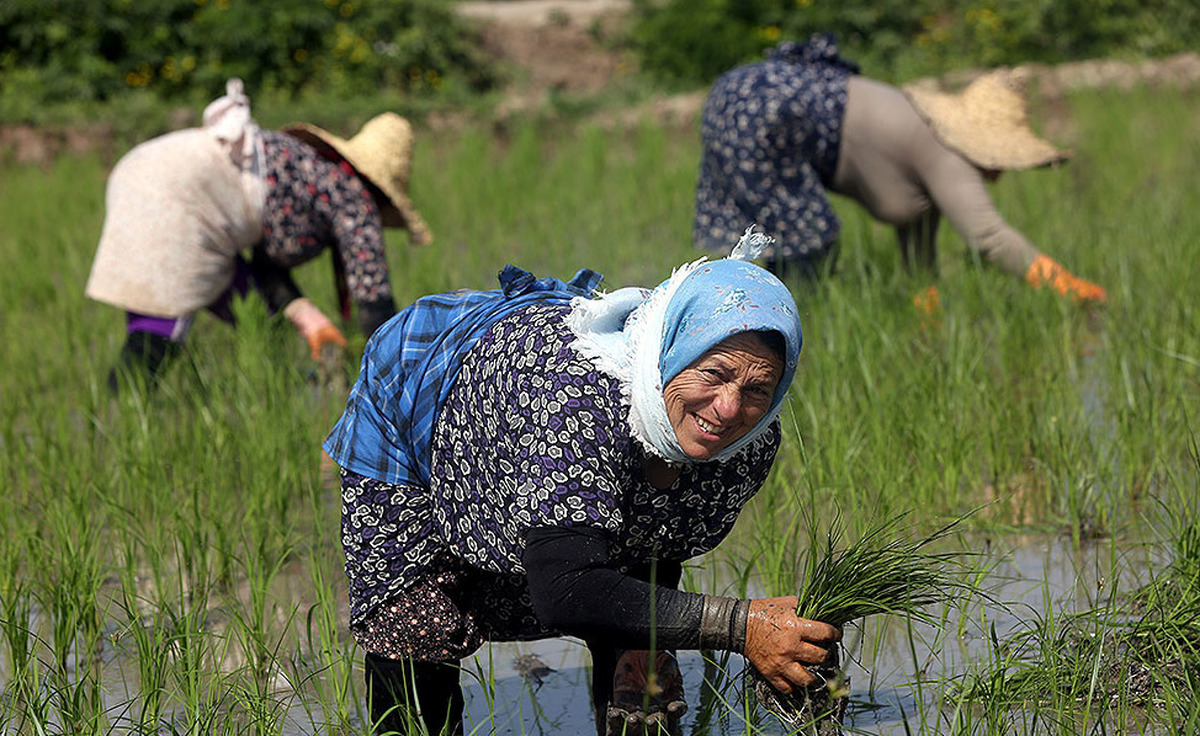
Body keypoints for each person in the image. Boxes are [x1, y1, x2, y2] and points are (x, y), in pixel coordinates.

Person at [322, 228, 842, 736]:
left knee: (641, 681)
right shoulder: (576, 408)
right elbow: (565, 587)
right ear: (670, 354)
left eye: (757, 389)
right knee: (416, 626)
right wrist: (739, 626)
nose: (728, 408)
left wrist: (642, 639)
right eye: (713, 374)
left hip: (556, 460)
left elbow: (660, 533)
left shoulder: (748, 443)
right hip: (423, 400)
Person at [693, 33, 1107, 304]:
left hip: (743, 96)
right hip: (767, 112)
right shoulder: (948, 153)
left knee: (777, 244)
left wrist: (926, 307)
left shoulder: (927, 141)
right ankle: (773, 336)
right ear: (982, 146)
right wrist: (1071, 288)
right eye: (997, 159)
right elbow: (988, 238)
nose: (998, 173)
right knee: (810, 245)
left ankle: (748, 317)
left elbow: (918, 236)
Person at [85, 79, 432, 393]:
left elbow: (265, 268)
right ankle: (124, 410)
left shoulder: (313, 168)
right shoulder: (352, 199)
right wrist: (394, 379)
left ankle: (273, 395)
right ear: (382, 190)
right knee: (161, 323)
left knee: (261, 320)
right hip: (176, 195)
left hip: (144, 167)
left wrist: (308, 318)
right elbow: (375, 307)